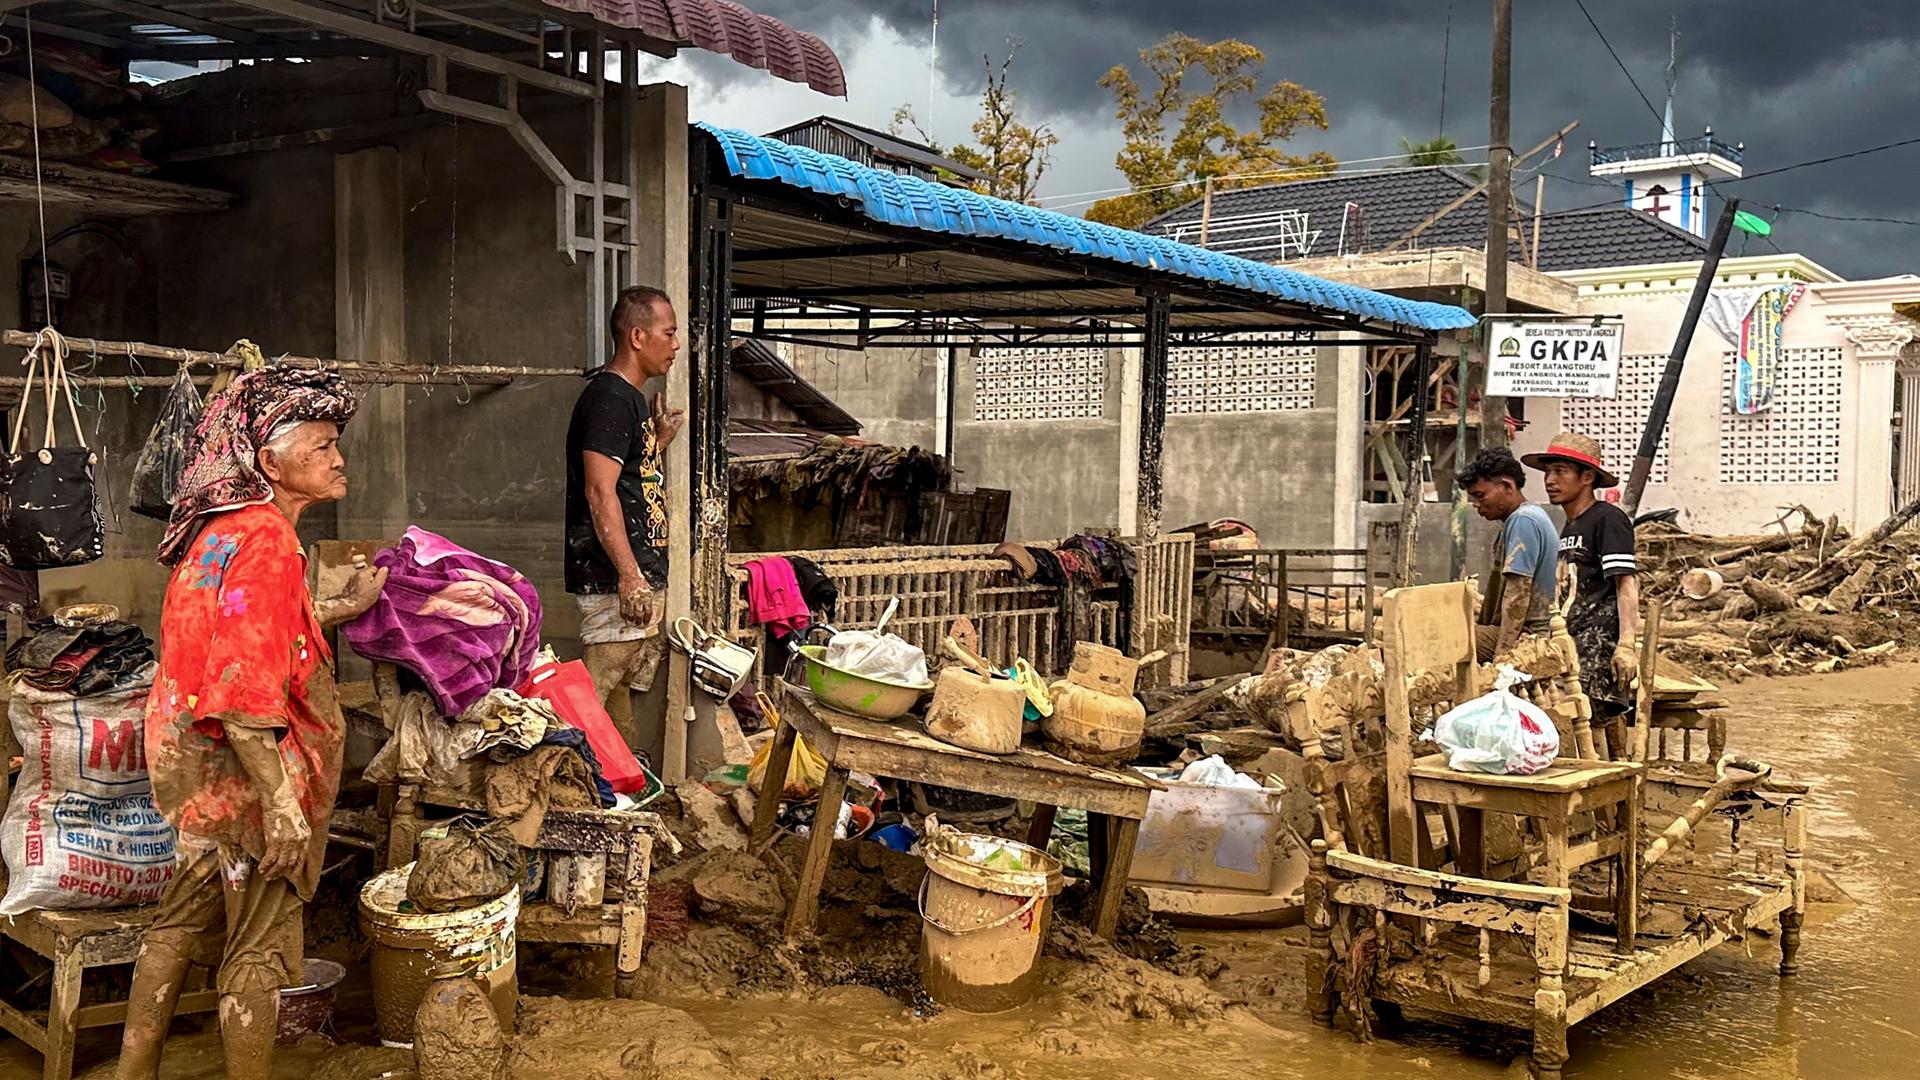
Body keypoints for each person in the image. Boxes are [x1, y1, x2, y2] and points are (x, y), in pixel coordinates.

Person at [118, 368, 387, 1080]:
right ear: (269, 462)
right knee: (260, 949)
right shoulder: (269, 542)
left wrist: (340, 608)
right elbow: (243, 693)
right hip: (249, 773)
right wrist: (281, 805)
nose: (338, 458)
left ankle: (132, 1071)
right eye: (323, 445)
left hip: (195, 770)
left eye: (338, 444)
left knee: (176, 926)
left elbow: (250, 636)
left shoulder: (218, 533)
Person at [565, 285, 686, 744]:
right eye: (669, 333)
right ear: (638, 336)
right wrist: (630, 575)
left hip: (627, 572)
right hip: (614, 575)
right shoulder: (610, 400)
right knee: (594, 690)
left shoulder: (629, 400)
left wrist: (656, 441)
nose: (675, 345)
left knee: (613, 693)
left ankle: (621, 782)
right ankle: (555, 783)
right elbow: (599, 491)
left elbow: (627, 474)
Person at [1522, 431, 1641, 717]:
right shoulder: (1572, 526)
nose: (1550, 480)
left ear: (1587, 477)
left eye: (1561, 471)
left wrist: (1626, 645)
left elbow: (1626, 582)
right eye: (1548, 472)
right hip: (1570, 649)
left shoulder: (1608, 518)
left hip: (1596, 654)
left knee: (1579, 730)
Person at [1458, 447, 1558, 662]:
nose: (1475, 504)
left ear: (1507, 486)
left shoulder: (1523, 521)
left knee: (1442, 639)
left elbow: (1517, 595)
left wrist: (1502, 655)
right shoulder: (1530, 515)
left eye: (1480, 495)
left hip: (1531, 636)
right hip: (1533, 631)